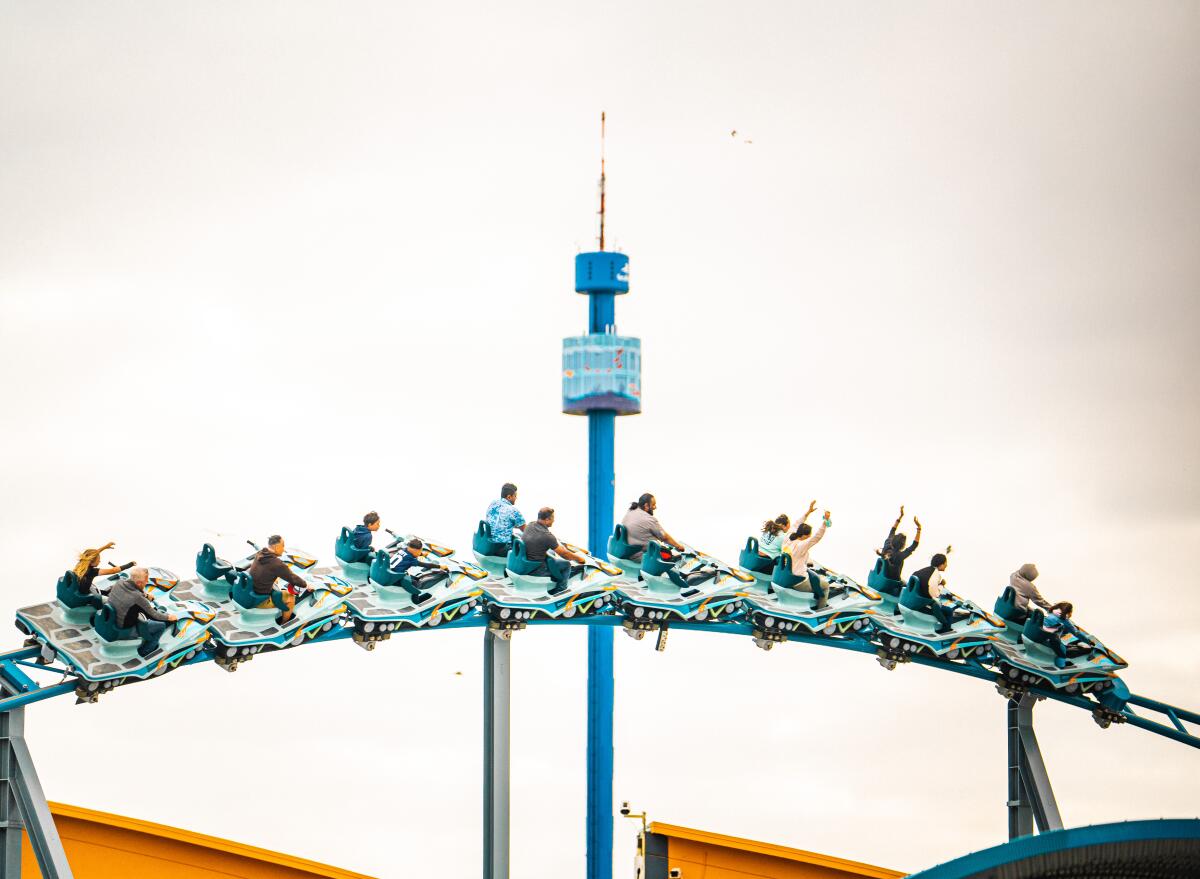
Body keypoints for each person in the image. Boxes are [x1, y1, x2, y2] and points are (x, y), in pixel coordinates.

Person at [107, 567, 177, 658]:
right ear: (139, 583)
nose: (147, 582)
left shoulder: (119, 583)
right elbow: (154, 615)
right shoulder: (138, 597)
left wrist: (146, 595)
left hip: (111, 619)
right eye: (146, 580)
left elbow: (130, 590)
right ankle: (146, 650)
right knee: (161, 626)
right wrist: (169, 617)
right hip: (125, 628)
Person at [521, 508, 588, 595]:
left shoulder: (530, 524)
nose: (554, 520)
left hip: (526, 561)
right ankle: (560, 591)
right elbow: (565, 554)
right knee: (567, 565)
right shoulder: (547, 536)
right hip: (537, 569)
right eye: (553, 518)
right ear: (547, 520)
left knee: (552, 553)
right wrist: (580, 559)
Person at [248, 535, 311, 627]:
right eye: (283, 546)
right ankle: (284, 624)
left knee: (276, 580)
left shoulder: (260, 554)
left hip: (250, 592)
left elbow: (266, 571)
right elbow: (293, 578)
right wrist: (306, 585)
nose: (284, 549)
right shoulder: (277, 564)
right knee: (290, 598)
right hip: (260, 601)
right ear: (276, 547)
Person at [781, 506, 832, 610]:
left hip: (785, 575)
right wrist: (825, 521)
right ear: (804, 536)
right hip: (798, 582)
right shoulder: (801, 545)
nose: (810, 536)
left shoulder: (788, 536)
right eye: (809, 535)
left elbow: (797, 523)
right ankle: (821, 611)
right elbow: (817, 537)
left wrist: (808, 512)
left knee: (811, 573)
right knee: (826, 586)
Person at [909, 553, 965, 635]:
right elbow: (935, 594)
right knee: (948, 611)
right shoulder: (935, 575)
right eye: (946, 563)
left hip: (912, 599)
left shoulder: (922, 570)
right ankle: (945, 630)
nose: (946, 565)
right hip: (921, 604)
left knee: (937, 605)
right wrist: (941, 585)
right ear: (941, 564)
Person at [620, 493, 685, 562]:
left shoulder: (631, 511)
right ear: (646, 506)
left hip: (627, 551)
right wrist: (678, 546)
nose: (655, 507)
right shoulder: (648, 519)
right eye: (653, 504)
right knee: (674, 559)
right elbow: (664, 537)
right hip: (640, 556)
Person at [388, 538, 449, 603]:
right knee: (414, 583)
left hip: (390, 572)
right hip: (394, 578)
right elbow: (425, 565)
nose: (420, 552)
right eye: (420, 551)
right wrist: (440, 566)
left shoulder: (403, 550)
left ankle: (409, 594)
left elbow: (411, 554)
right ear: (416, 550)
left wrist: (421, 554)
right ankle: (416, 601)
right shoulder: (410, 559)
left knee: (416, 578)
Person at [1039, 601, 1093, 666]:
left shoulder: (1050, 614)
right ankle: (1060, 665)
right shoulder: (1064, 621)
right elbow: (1077, 633)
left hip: (1039, 635)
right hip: (1048, 640)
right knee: (1062, 650)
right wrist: (1088, 642)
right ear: (1068, 612)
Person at [877, 505, 922, 582]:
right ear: (903, 545)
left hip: (879, 574)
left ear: (893, 539)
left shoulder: (887, 542)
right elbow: (914, 545)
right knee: (904, 583)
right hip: (891, 581)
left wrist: (900, 516)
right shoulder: (900, 556)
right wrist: (919, 528)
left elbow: (893, 530)